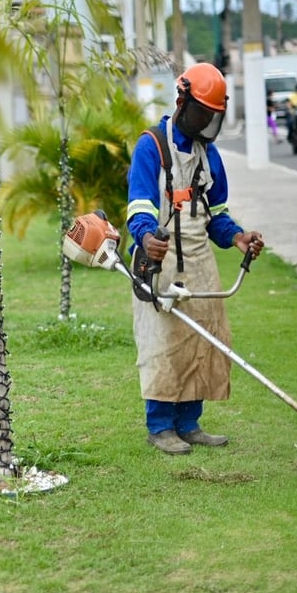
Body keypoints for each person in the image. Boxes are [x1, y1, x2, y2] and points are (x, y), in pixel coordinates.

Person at [126, 63, 265, 456]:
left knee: (203, 338)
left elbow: (217, 215)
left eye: (212, 116)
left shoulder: (210, 155)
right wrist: (147, 237)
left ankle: (189, 423)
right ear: (182, 102)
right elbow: (139, 204)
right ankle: (160, 426)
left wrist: (238, 237)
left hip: (201, 259)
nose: (207, 123)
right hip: (161, 257)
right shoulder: (151, 145)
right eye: (202, 114)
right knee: (164, 341)